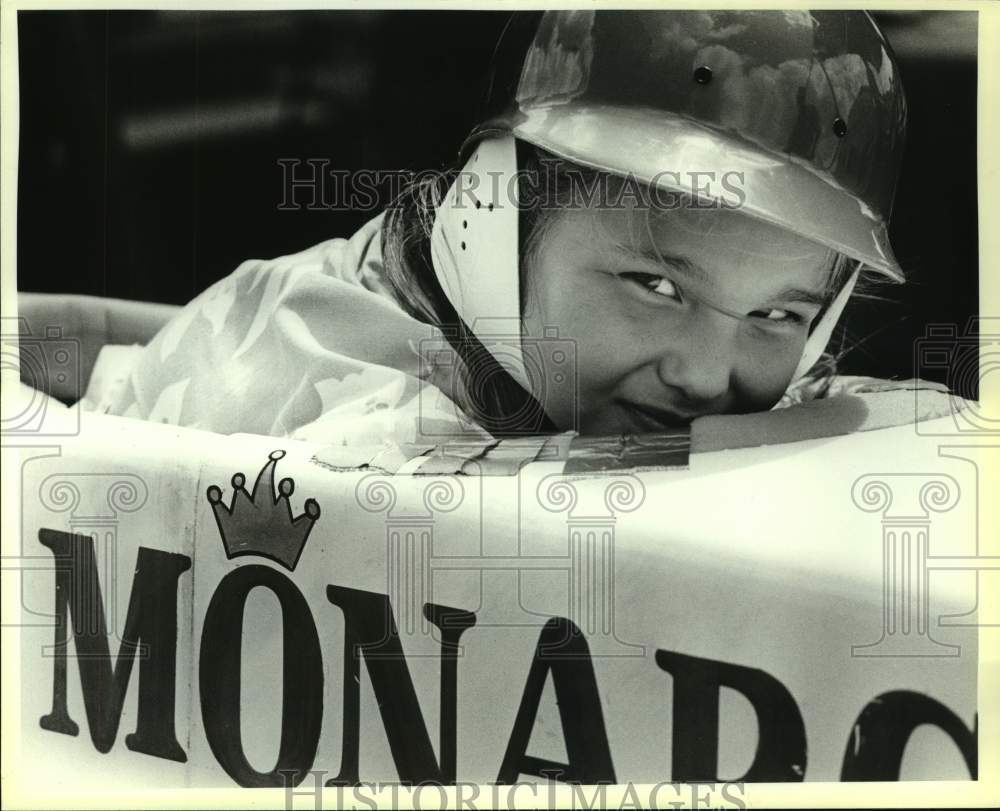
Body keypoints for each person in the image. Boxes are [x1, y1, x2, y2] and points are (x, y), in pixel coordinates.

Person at [72, 9, 951, 450]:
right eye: (657, 286)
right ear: (496, 220)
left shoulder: (537, 351)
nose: (705, 376)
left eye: (777, 315)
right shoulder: (352, 419)